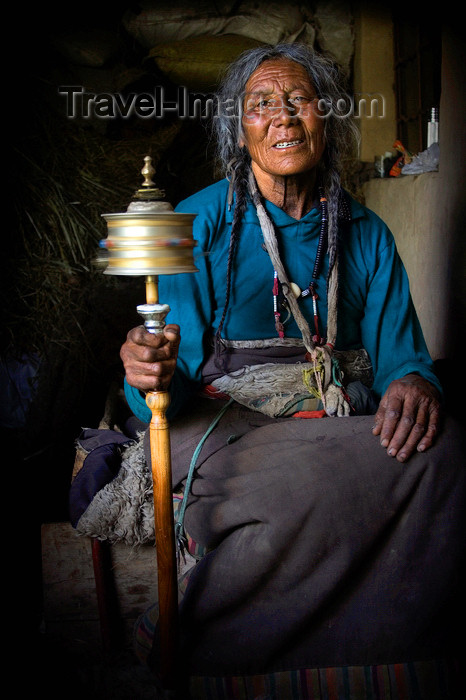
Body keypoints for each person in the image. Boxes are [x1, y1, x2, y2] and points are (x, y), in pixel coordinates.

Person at [120, 44, 464, 687]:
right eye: (261, 105)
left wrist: (414, 383)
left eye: (299, 101)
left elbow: (404, 359)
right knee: (299, 488)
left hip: (333, 418)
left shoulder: (365, 233)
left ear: (325, 117)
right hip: (221, 423)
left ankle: (387, 646)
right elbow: (163, 382)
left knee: (445, 454)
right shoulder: (194, 224)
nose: (283, 118)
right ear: (238, 128)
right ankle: (191, 630)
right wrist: (145, 370)